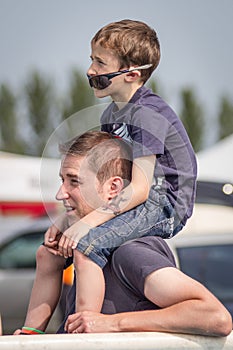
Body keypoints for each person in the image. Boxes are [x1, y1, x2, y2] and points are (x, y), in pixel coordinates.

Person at [47, 19, 198, 317]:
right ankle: (32, 330)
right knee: (48, 251)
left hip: (164, 204)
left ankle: (85, 330)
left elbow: (140, 189)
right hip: (135, 197)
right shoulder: (111, 115)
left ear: (132, 74)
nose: (91, 70)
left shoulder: (148, 114)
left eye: (100, 63)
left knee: (87, 246)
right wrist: (68, 220)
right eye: (91, 59)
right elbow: (108, 178)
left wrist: (87, 224)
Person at [14, 131, 232, 337]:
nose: (60, 193)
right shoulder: (89, 248)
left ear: (113, 188)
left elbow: (215, 316)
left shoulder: (131, 252)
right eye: (62, 180)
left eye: (74, 181)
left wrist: (112, 323)